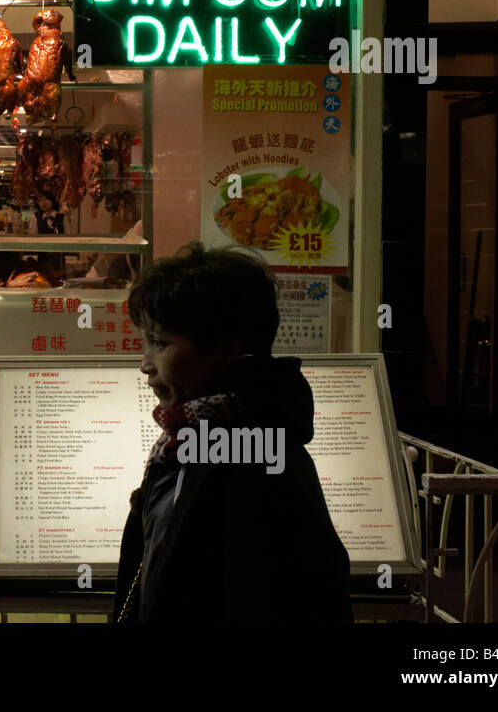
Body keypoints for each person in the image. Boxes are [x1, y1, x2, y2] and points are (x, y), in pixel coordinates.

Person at [113, 242, 352, 623]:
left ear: (225, 350)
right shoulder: (189, 440)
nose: (145, 365)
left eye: (160, 344)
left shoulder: (259, 458)